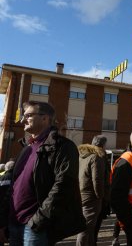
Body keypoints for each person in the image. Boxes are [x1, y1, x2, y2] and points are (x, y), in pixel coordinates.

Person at [0, 100, 85, 245]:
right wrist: (3, 219)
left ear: (45, 118)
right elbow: (14, 187)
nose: (23, 119)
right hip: (14, 222)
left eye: (28, 115)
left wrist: (38, 220)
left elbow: (64, 186)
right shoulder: (26, 148)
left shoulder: (63, 146)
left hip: (34, 226)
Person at [76, 135, 107, 246]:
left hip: (81, 194)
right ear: (103, 145)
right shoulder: (96, 157)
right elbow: (97, 179)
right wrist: (100, 196)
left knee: (89, 229)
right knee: (86, 228)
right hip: (91, 197)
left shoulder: (82, 156)